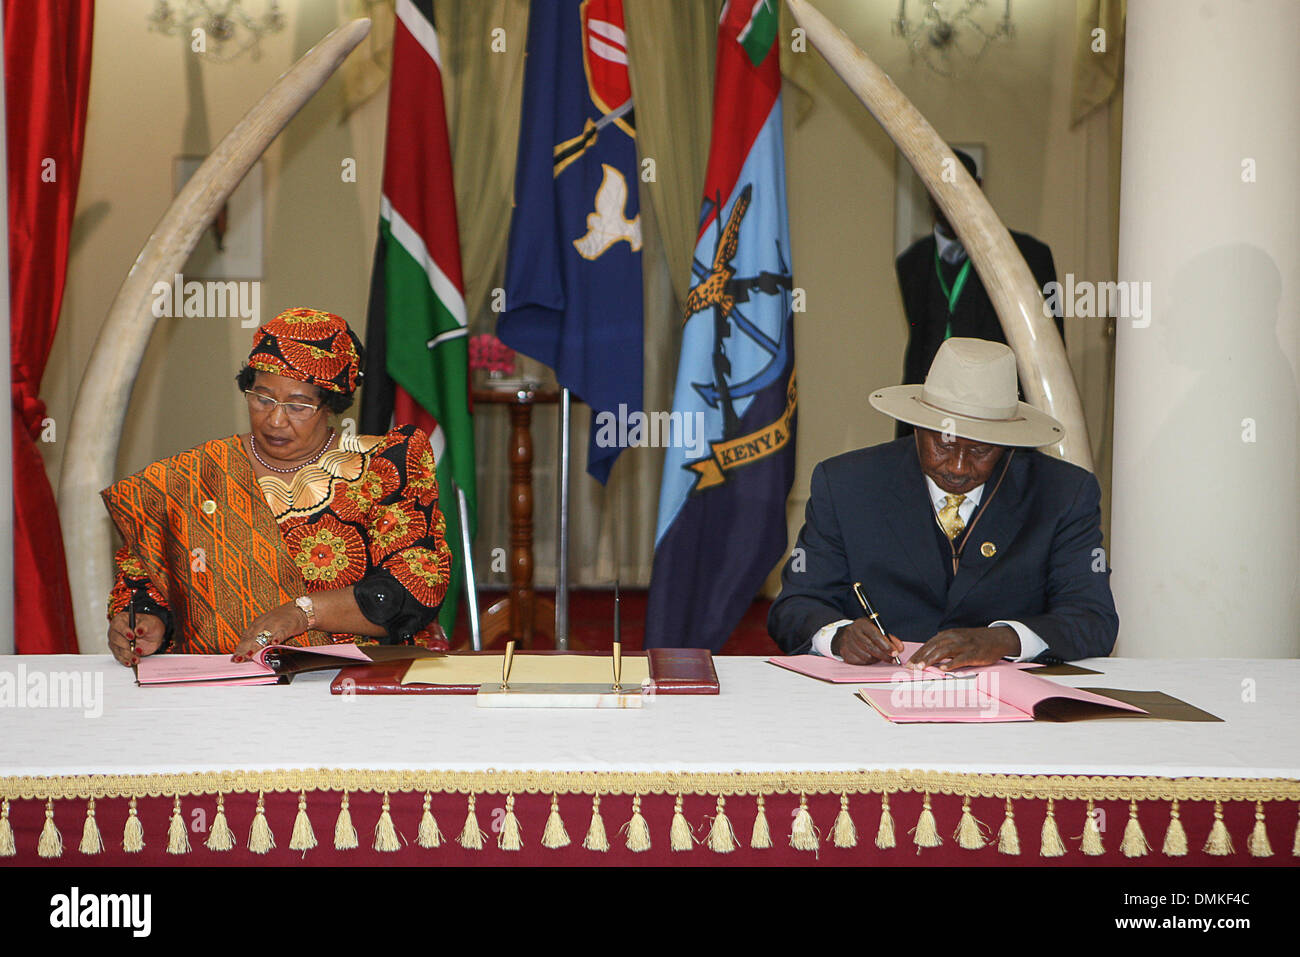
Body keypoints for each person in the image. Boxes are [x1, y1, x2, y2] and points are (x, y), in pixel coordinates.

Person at [102, 307, 453, 665]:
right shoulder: (193, 476)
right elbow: (144, 586)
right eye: (262, 398)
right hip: (217, 688)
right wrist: (145, 623)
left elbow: (414, 588)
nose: (275, 419)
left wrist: (302, 613)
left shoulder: (382, 466)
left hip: (352, 680)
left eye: (299, 405)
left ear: (330, 405)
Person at [767, 337, 1117, 667]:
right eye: (944, 445)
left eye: (981, 450)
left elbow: (1093, 619)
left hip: (1007, 711)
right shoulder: (846, 483)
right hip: (871, 700)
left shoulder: (1063, 493)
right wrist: (839, 636)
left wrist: (1004, 640)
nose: (959, 466)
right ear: (917, 427)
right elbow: (795, 606)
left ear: (1009, 442)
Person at [894, 148, 1063, 437]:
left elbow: (1049, 355)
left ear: (978, 186)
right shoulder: (912, 262)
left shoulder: (1028, 256)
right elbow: (917, 352)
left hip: (1001, 423)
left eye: (958, 185)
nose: (947, 197)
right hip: (931, 420)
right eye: (937, 186)